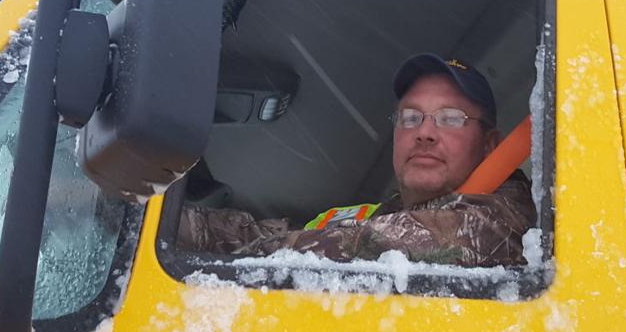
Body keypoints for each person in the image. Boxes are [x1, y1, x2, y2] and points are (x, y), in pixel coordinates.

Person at [177, 54, 536, 267]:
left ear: (490, 145)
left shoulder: (496, 224)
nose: (424, 132)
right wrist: (168, 221)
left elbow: (341, 248)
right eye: (411, 117)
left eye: (450, 118)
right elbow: (278, 238)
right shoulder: (384, 215)